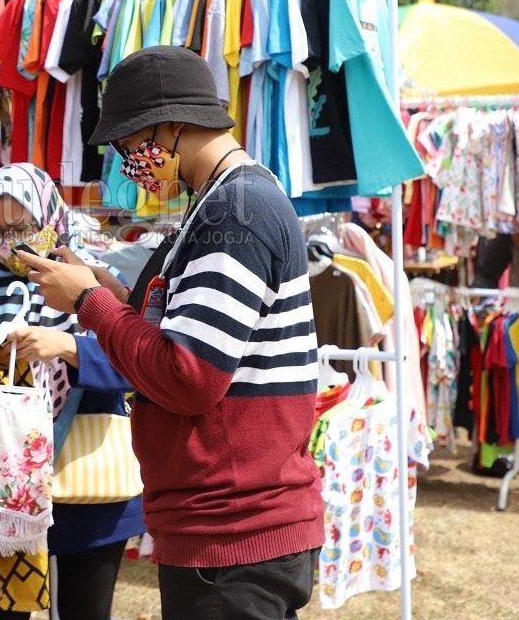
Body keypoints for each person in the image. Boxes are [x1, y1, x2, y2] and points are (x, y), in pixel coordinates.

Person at [19, 46, 322, 619]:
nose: (129, 162)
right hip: (226, 522)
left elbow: (191, 376)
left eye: (133, 145)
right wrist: (109, 291)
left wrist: (89, 303)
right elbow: (192, 332)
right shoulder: (223, 204)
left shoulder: (234, 211)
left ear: (174, 124)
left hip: (234, 529)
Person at [0, 163, 144, 620]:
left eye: (21, 227)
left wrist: (69, 348)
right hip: (1, 497)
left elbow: (140, 365)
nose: (8, 242)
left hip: (86, 492)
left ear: (52, 220)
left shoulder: (94, 286)